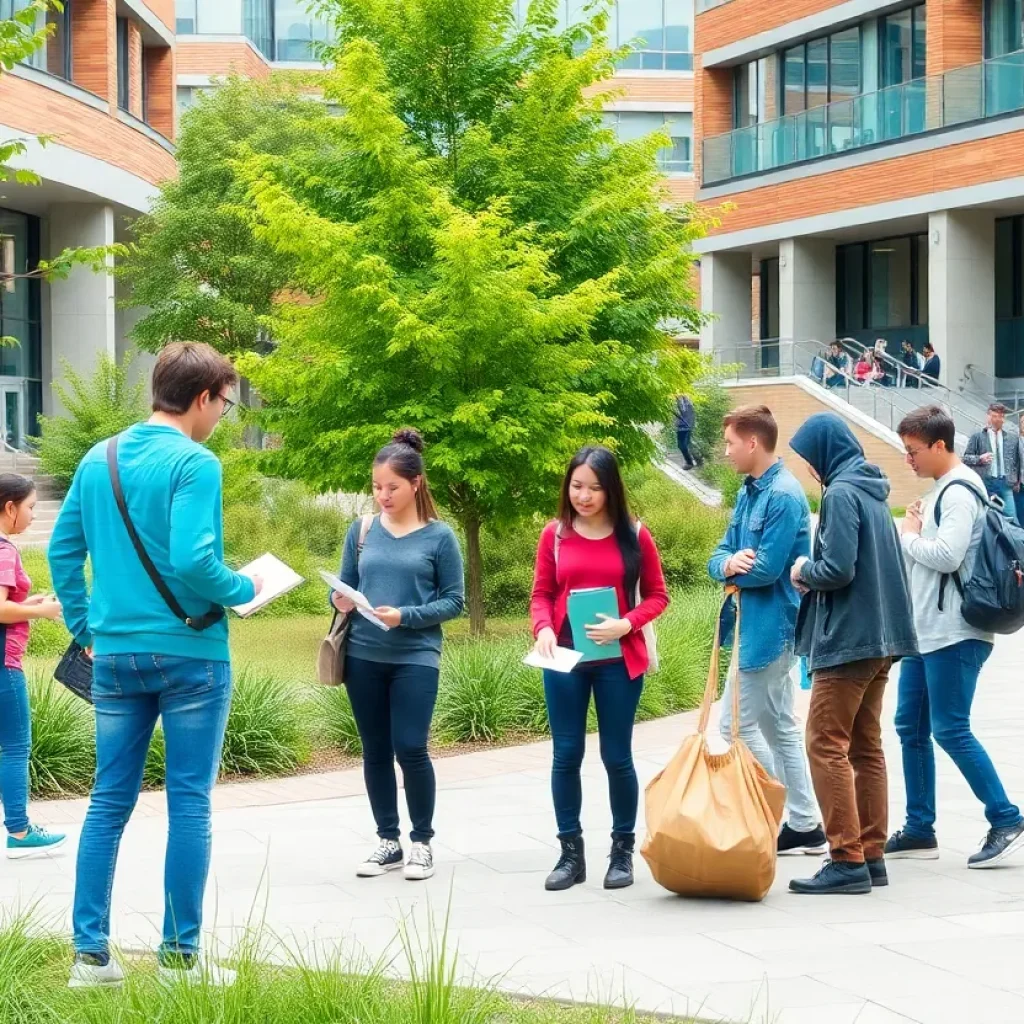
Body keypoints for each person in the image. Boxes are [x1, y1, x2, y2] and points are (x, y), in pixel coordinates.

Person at [49, 342, 262, 989]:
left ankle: (91, 959)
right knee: (188, 804)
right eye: (225, 404)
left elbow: (62, 552)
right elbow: (197, 563)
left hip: (114, 657)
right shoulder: (195, 464)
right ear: (203, 398)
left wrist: (88, 630)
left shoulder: (97, 459)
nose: (223, 416)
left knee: (107, 802)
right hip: (191, 655)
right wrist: (247, 589)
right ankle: (179, 960)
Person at [888, 406, 1024, 868]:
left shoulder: (961, 492)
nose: (908, 459)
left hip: (956, 632)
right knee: (910, 727)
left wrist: (907, 535)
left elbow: (946, 557)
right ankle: (919, 828)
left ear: (939, 446)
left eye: (913, 451)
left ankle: (1006, 817)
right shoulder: (941, 490)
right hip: (925, 633)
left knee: (950, 728)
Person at [787, 413, 917, 895]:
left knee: (824, 743)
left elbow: (837, 569)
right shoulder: (871, 489)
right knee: (866, 747)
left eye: (809, 457)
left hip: (848, 640)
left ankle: (845, 858)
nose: (808, 467)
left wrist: (804, 569)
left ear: (825, 451)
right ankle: (871, 854)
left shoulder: (841, 493)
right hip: (881, 639)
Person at [530, 446, 668, 892]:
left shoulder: (635, 534)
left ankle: (622, 851)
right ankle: (571, 854)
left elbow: (658, 595)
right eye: (576, 486)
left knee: (616, 756)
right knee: (566, 754)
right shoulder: (554, 535)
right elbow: (542, 593)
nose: (584, 496)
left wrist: (627, 623)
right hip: (565, 659)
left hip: (617, 662)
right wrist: (544, 629)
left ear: (611, 490)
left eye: (594, 488)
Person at [330, 428, 464, 883]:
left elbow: (453, 601)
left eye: (392, 487)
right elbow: (345, 585)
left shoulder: (440, 537)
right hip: (363, 656)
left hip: (415, 656)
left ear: (416, 484)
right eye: (376, 487)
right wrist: (341, 600)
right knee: (375, 750)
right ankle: (388, 841)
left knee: (411, 746)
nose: (383, 495)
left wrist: (404, 616)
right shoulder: (362, 530)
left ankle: (421, 842)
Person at [707, 406, 824, 855]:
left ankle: (774, 808)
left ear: (753, 442)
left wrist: (733, 569)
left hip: (772, 628)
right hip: (750, 625)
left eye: (730, 442)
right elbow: (719, 553)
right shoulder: (750, 490)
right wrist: (729, 564)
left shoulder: (784, 495)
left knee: (735, 725)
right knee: (778, 727)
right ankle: (805, 822)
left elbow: (769, 569)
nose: (726, 450)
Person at [0, 475, 66, 860]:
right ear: (9, 508)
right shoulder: (5, 550)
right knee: (15, 747)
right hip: (4, 666)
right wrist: (40, 610)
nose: (31, 515)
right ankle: (20, 832)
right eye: (30, 507)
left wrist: (30, 602)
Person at [963, 403, 1019, 524]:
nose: (997, 419)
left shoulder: (1012, 438)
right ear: (987, 416)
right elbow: (965, 458)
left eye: (1000, 416)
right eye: (994, 416)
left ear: (1003, 418)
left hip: (1005, 483)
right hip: (987, 484)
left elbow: (1016, 461)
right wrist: (979, 459)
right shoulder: (977, 437)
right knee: (990, 519)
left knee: (1012, 518)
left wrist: (1016, 480)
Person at [674, 394, 697, 470]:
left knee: (681, 446)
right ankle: (695, 459)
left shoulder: (682, 400)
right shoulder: (688, 400)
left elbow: (682, 410)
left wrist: (676, 399)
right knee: (686, 445)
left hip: (683, 427)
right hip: (687, 426)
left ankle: (689, 462)